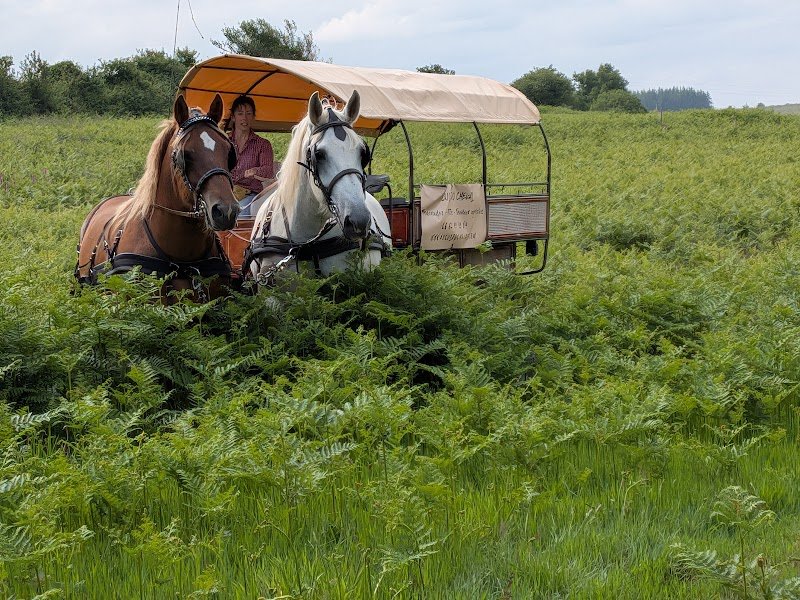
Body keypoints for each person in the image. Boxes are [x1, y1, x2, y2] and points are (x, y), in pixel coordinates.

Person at [223, 95, 277, 217]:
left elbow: (268, 171)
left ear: (253, 117)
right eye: (240, 113)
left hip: (251, 195)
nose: (245, 118)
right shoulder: (223, 141)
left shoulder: (263, 144)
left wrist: (255, 171)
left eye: (248, 113)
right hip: (225, 193)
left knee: (238, 215)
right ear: (233, 117)